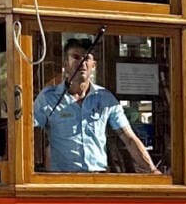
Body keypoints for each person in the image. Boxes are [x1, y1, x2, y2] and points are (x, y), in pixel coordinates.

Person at [33, 38, 156, 173]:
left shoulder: (105, 99)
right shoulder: (48, 98)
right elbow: (30, 135)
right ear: (65, 64)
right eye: (76, 57)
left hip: (97, 179)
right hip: (63, 180)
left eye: (87, 58)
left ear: (94, 65)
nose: (82, 62)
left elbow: (129, 138)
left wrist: (153, 170)